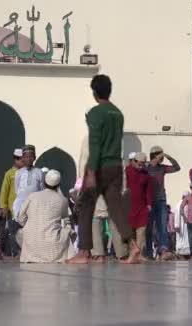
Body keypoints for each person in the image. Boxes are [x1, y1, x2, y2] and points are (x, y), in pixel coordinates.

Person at [67, 74, 141, 264]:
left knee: (85, 205)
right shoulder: (118, 114)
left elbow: (95, 143)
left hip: (100, 167)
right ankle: (133, 247)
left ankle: (83, 252)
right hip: (116, 166)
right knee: (115, 209)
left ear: (94, 92)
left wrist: (91, 172)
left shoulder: (95, 113)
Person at [16, 170, 75, 263]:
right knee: (68, 231)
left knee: (21, 232)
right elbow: (66, 221)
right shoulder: (63, 200)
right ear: (59, 184)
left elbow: (20, 217)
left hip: (31, 244)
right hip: (52, 245)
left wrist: (30, 226)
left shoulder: (32, 196)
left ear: (44, 182)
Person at [146, 146, 180, 260]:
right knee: (149, 227)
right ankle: (148, 252)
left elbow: (177, 168)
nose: (162, 158)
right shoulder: (146, 167)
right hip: (149, 201)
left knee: (162, 227)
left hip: (161, 200)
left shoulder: (162, 168)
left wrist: (169, 157)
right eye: (160, 155)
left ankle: (163, 250)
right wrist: (156, 159)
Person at [125, 152, 153, 259]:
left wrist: (149, 204)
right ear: (134, 161)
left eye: (143, 164)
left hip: (142, 207)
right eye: (140, 164)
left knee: (141, 230)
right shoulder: (127, 171)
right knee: (130, 231)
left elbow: (148, 191)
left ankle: (139, 254)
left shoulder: (146, 175)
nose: (141, 166)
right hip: (128, 205)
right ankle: (130, 252)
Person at [0, 148, 23, 257]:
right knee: (13, 232)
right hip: (13, 209)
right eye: (21, 160)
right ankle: (15, 252)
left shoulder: (27, 172)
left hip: (26, 208)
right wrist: (3, 206)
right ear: (15, 160)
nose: (23, 162)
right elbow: (4, 190)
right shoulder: (9, 174)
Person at [13, 145, 43, 218]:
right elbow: (17, 190)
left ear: (35, 158)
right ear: (22, 158)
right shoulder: (19, 173)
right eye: (26, 157)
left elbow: (42, 189)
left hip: (35, 205)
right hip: (21, 205)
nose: (29, 159)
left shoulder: (39, 172)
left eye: (31, 157)